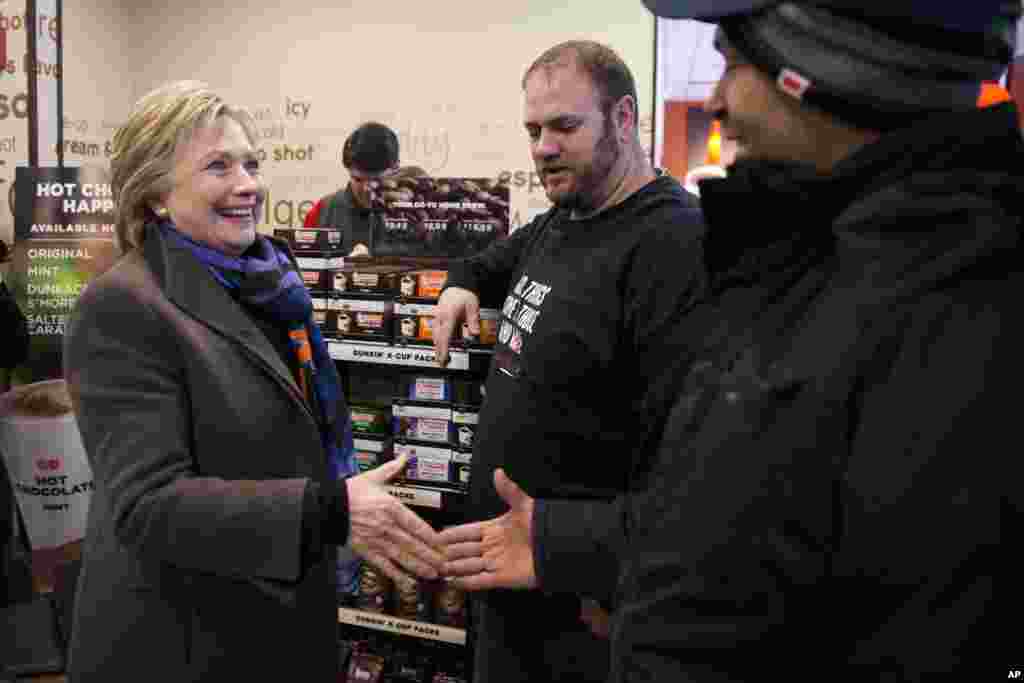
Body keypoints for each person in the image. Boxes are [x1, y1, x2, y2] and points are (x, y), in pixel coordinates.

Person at [442, 1, 1023, 678]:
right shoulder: (806, 255)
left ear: (824, 72)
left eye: (734, 61)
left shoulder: (942, 306)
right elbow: (740, 502)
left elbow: (863, 599)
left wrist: (592, 560)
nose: (717, 97)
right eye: (533, 129)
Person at [62, 81, 443, 682]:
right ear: (156, 194)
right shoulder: (121, 308)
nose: (249, 185)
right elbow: (147, 505)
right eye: (219, 166)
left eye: (251, 163)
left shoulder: (267, 281)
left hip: (276, 619)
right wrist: (328, 512)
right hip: (186, 644)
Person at [431, 41, 703, 683]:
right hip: (513, 592)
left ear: (624, 117)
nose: (542, 147)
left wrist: (585, 555)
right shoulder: (568, 214)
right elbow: (498, 258)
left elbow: (685, 467)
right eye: (533, 130)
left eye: (564, 126)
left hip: (581, 610)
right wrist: (461, 281)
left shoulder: (673, 245)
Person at [303, 121, 400, 257]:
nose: (367, 188)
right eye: (358, 179)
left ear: (396, 168)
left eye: (376, 180)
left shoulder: (420, 213)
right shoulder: (322, 212)